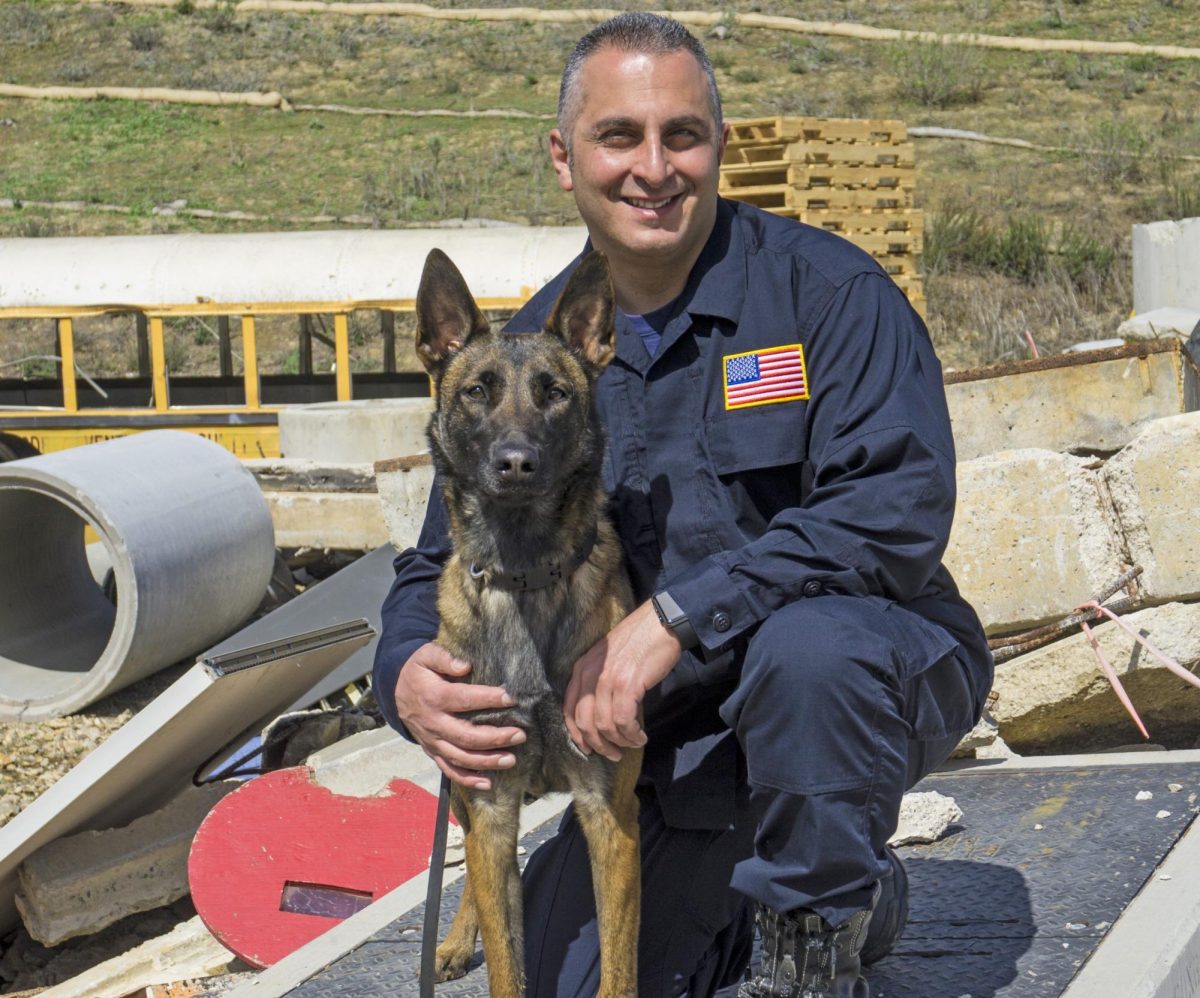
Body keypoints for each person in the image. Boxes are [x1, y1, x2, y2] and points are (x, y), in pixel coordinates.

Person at [373, 12, 992, 998]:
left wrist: (680, 611)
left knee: (810, 655)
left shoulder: (827, 295)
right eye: (619, 135)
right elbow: (436, 557)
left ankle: (819, 928)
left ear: (720, 147)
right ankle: (846, 885)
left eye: (683, 135)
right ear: (564, 157)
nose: (652, 167)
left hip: (854, 674)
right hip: (670, 745)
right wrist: (405, 671)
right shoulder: (530, 358)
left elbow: (895, 509)